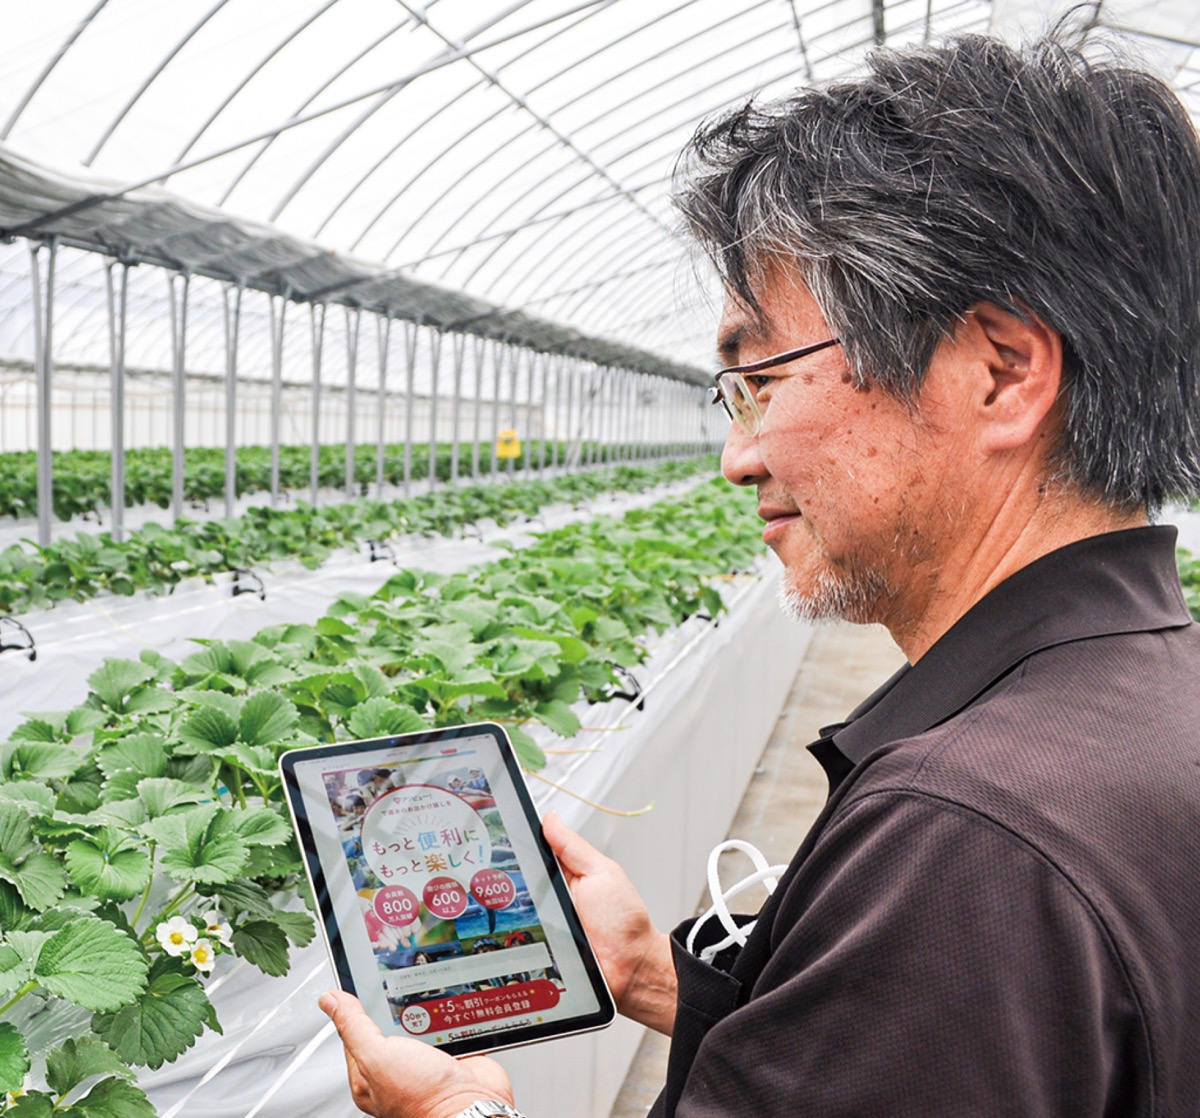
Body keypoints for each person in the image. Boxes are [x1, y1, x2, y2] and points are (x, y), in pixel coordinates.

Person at [320, 25, 1200, 1118]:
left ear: (999, 372)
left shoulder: (967, 839)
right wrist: (655, 977)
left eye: (761, 378)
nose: (740, 454)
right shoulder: (1154, 700)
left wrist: (459, 1110)